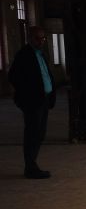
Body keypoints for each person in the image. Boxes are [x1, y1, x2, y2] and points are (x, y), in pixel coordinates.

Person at [8, 25, 56, 179]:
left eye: (43, 38)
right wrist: (28, 94)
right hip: (33, 101)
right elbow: (14, 77)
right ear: (30, 38)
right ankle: (30, 167)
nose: (41, 41)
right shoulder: (24, 55)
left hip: (43, 99)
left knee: (40, 133)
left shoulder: (41, 54)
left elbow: (45, 75)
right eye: (37, 38)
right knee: (32, 133)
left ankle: (32, 164)